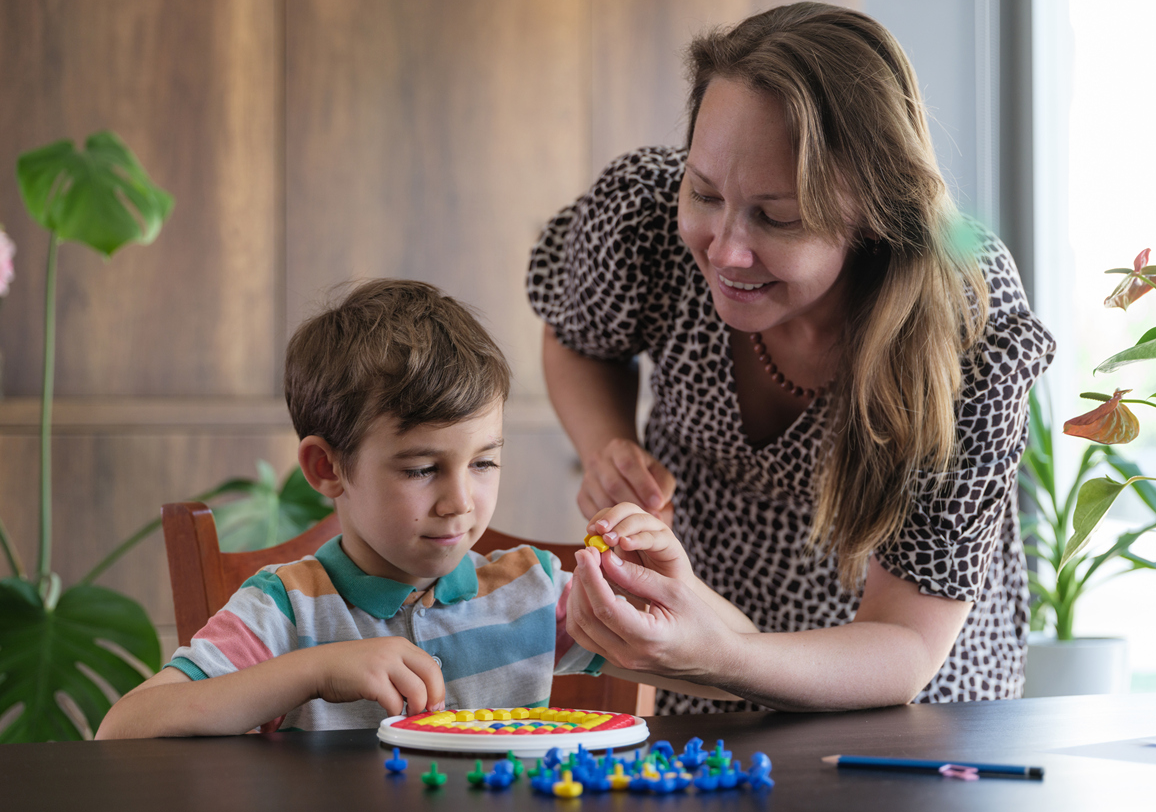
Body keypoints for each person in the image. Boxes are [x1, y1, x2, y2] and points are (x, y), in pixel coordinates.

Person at [528, 2, 1055, 712]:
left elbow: (902, 647)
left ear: (874, 209)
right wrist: (607, 448)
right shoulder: (644, 219)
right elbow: (576, 338)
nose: (724, 250)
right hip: (705, 634)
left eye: (777, 217)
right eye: (705, 192)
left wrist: (722, 651)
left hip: (908, 701)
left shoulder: (967, 317)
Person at [98, 280, 738, 738]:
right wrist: (314, 670)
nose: (461, 501)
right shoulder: (285, 611)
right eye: (422, 469)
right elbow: (124, 728)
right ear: (329, 468)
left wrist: (665, 585)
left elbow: (739, 668)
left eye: (484, 462)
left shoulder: (534, 596)